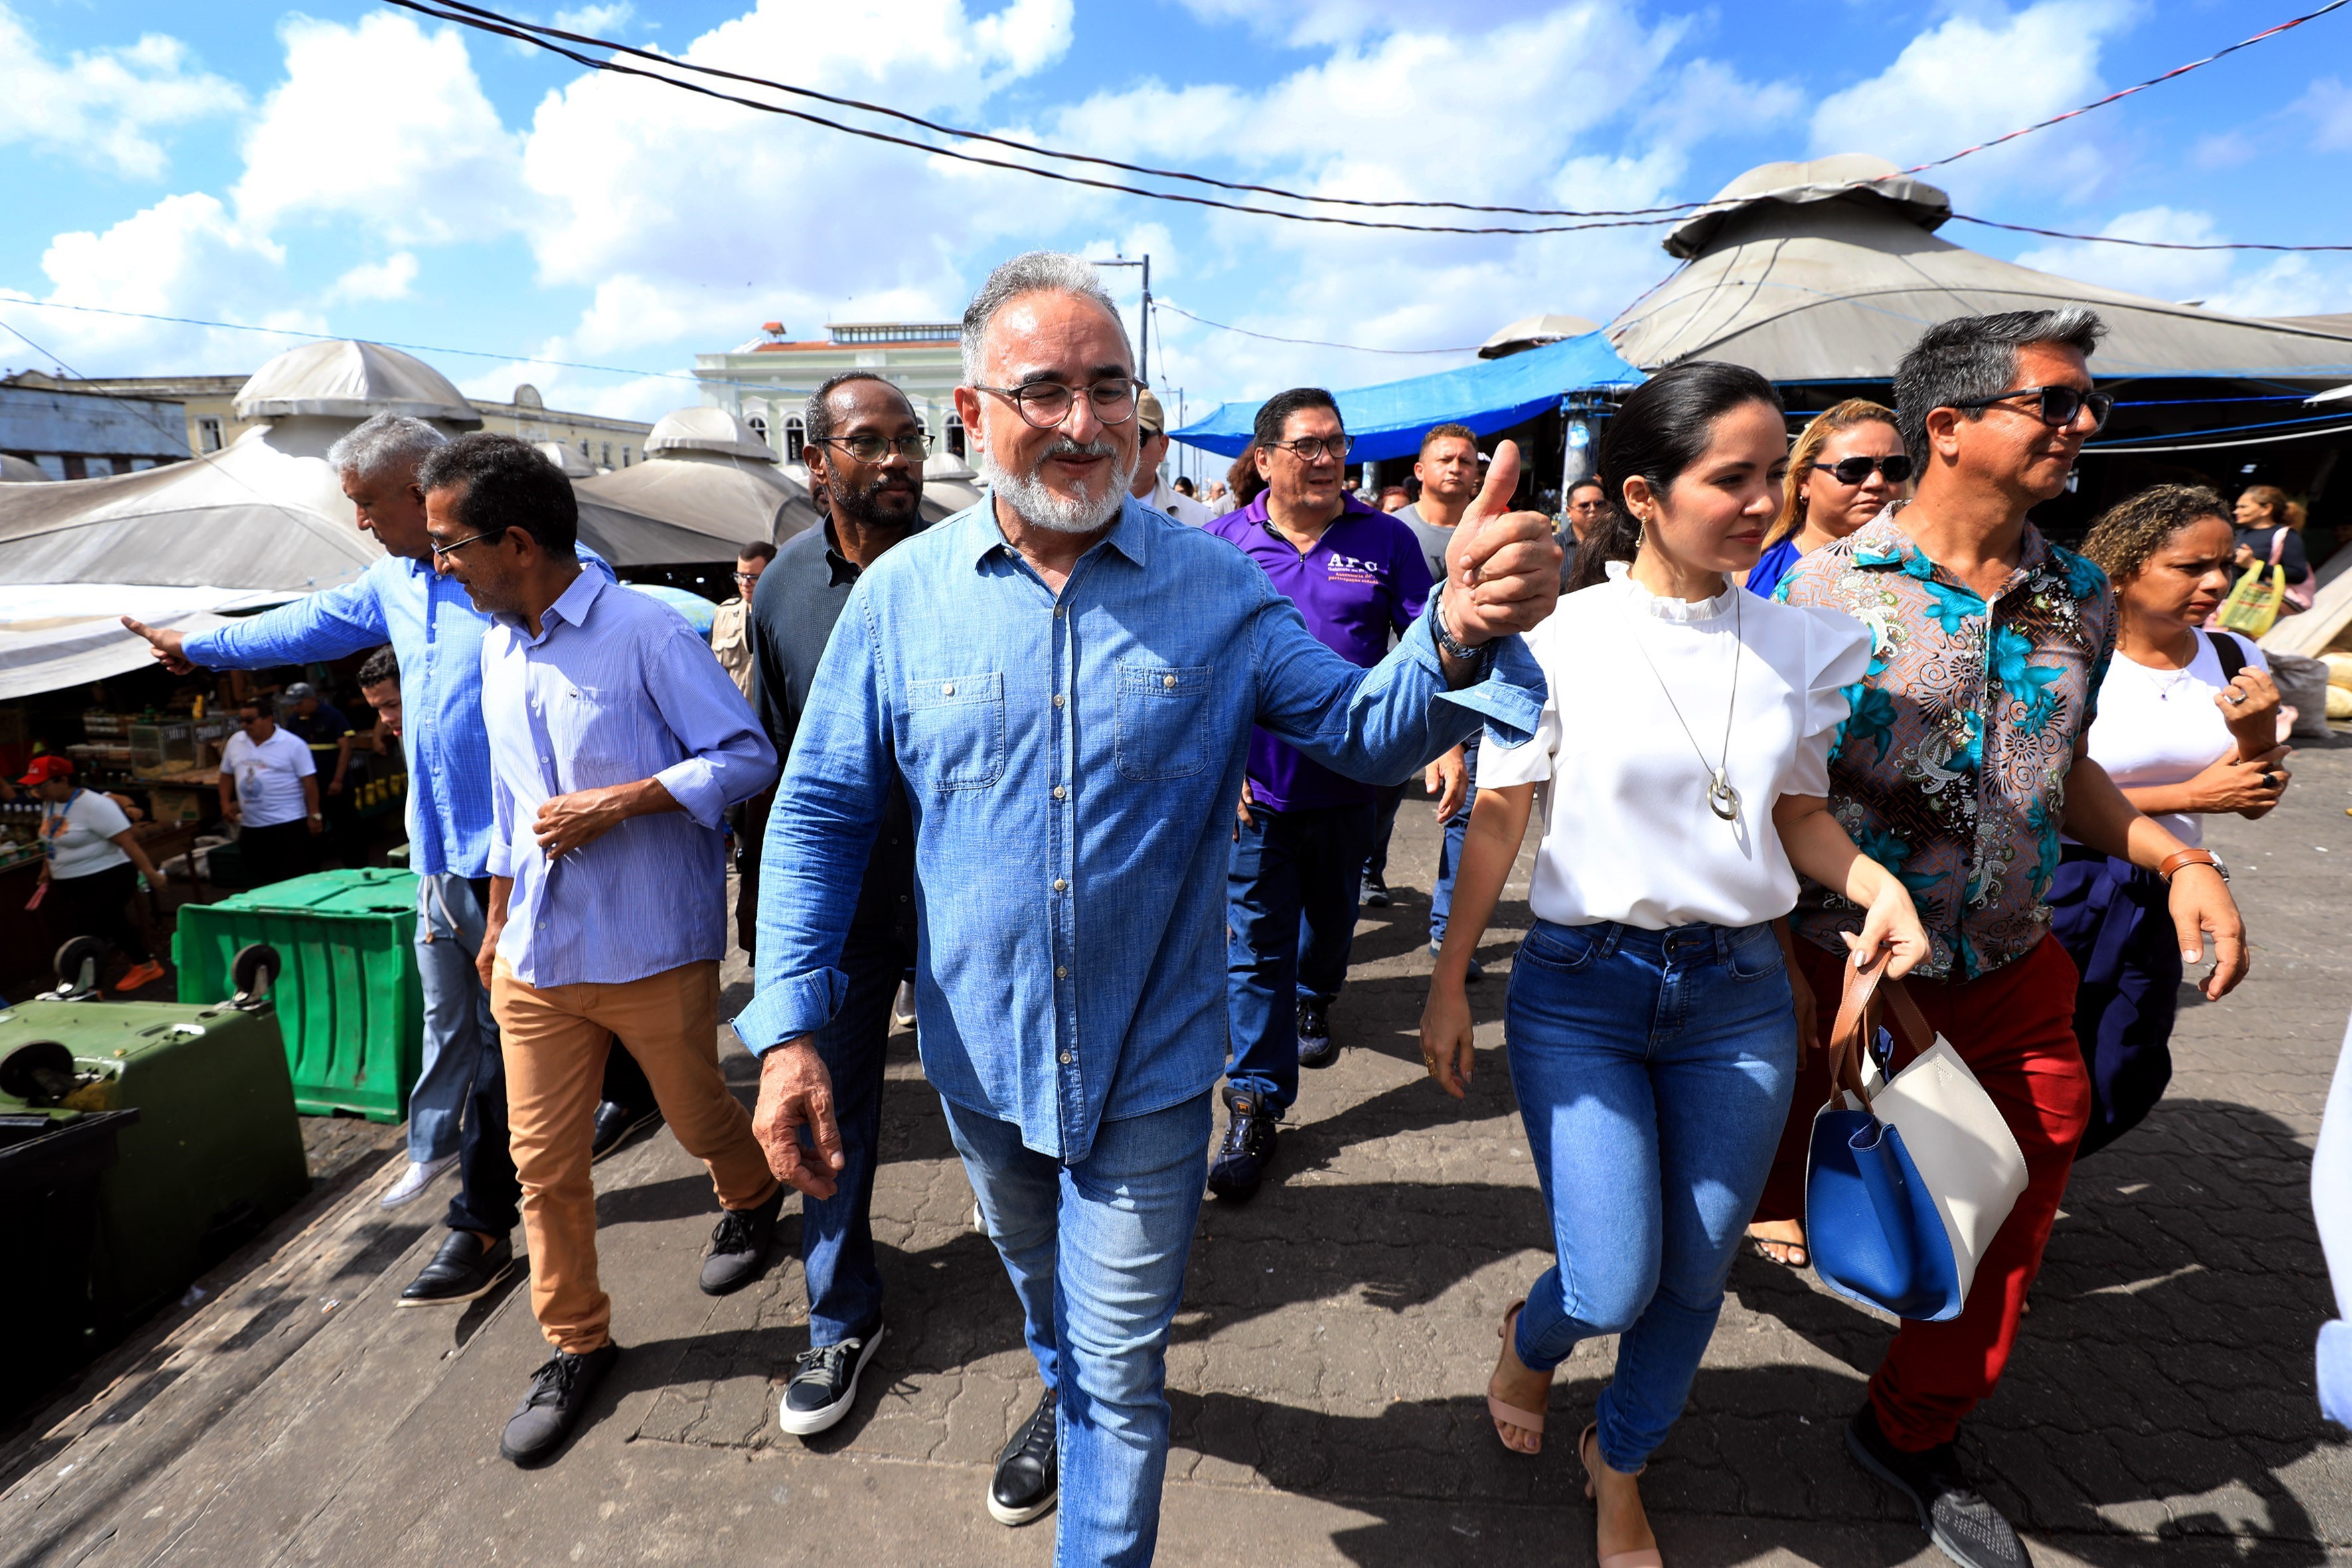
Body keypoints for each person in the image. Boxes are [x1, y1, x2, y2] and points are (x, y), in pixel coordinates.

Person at [738, 251, 1557, 1563]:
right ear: (973, 414)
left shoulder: (1216, 588)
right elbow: (820, 811)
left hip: (1156, 1064)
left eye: (1108, 387)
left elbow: (1360, 732)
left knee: (1121, 1370)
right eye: (1044, 390)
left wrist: (1451, 631)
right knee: (1047, 1306)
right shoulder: (897, 601)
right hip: (981, 1064)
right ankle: (1055, 1393)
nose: (1082, 421)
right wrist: (788, 1031)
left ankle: (1085, 1437)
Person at [1754, 308, 2247, 1568]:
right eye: (2054, 402)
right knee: (1754, 1187)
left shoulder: (2077, 593)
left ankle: (1909, 1429)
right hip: (1834, 971)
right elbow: (1770, 789)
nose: (2081, 426)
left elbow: (2060, 767)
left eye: (2089, 406)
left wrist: (2176, 858)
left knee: (2015, 1199)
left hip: (2017, 967)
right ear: (1948, 423)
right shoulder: (1816, 589)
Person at [1425, 360, 1929, 1568]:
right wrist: (1446, 982)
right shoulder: (1558, 633)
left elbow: (1796, 813)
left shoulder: (1803, 642)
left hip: (1737, 997)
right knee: (1609, 1281)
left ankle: (1621, 1459)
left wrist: (1876, 883)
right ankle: (1533, 1339)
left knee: (1695, 1271)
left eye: (1773, 476)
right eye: (1729, 478)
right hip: (1580, 992)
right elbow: (1499, 810)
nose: (1762, 502)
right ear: (1642, 495)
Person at [122, 412, 637, 1239]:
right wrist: (201, 645)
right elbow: (299, 623)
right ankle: (606, 1106)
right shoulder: (392, 583)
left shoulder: (534, 568)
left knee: (508, 1036)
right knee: (490, 1025)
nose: (359, 521)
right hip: (441, 854)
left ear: (416, 489)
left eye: (364, 502)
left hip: (532, 850)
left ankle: (481, 1219)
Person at [420, 431, 781, 1466]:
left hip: (649, 942)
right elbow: (510, 802)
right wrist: (496, 919)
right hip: (536, 951)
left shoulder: (646, 634)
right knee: (541, 1163)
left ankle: (752, 1194)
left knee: (695, 1110)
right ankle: (576, 1340)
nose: (440, 565)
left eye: (450, 544)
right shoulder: (495, 642)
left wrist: (623, 801)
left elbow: (745, 755)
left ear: (515, 541)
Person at [743, 368, 930, 1435]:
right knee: (826, 1108)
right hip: (846, 916)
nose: (898, 456)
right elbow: (780, 770)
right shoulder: (780, 593)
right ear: (817, 462)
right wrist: (766, 919)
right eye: (870, 440)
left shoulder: (970, 568)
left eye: (910, 436)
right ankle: (839, 1317)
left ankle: (1055, 1309)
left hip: (964, 904)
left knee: (1007, 1108)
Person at [1202, 389, 1436, 1200]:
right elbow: (1196, 666)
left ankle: (1316, 996)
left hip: (1353, 784)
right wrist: (1221, 766)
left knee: (1331, 920)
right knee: (1253, 948)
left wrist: (1446, 739)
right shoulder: (1222, 545)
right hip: (1256, 790)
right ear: (1265, 458)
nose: (1328, 458)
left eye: (1336, 443)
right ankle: (1254, 1103)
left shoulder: (1387, 539)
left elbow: (1425, 644)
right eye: (1307, 445)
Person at [2053, 484, 2289, 1156]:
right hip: (2059, 876)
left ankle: (2044, 1170)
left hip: (2165, 887)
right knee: (2037, 1049)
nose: (2216, 583)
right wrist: (2188, 793)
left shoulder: (2234, 655)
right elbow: (2040, 786)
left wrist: (2255, 732)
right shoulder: (2070, 652)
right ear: (2123, 571)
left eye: (2224, 566)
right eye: (2190, 567)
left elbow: (2255, 794)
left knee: (2126, 1060)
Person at [1387, 424, 1482, 969]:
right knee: (1375, 807)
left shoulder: (1492, 531)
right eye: (1445, 459)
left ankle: (1448, 936)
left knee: (1465, 818)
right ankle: (1368, 868)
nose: (1456, 468)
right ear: (1420, 470)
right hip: (1399, 696)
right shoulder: (1391, 532)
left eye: (1466, 461)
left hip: (1474, 702)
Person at [24, 755, 167, 992]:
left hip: (106, 876)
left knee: (90, 929)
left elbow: (128, 842)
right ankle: (145, 965)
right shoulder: (50, 803)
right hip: (70, 879)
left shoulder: (96, 805)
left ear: (64, 780)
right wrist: (46, 869)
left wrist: (150, 873)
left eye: (42, 785)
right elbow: (53, 840)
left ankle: (88, 986)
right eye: (33, 788)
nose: (37, 792)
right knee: (113, 923)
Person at [1745, 400, 1910, 602]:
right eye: (1853, 469)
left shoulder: (1927, 568)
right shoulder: (1749, 564)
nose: (1876, 482)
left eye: (1894, 468)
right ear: (1805, 481)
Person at [217, 700, 321, 887]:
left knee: (296, 881)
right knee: (259, 880)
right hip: (252, 826)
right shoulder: (236, 742)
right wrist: (225, 803)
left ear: (268, 719)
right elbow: (226, 775)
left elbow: (310, 782)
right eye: (241, 721)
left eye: (250, 720)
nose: (244, 725)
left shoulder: (293, 744)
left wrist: (314, 815)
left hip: (288, 824)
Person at [1130, 390, 1212, 526]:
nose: (1126, 445)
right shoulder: (1091, 516)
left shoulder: (1199, 519)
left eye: (1139, 437)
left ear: (1162, 447)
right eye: (1117, 435)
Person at [709, 540, 775, 702]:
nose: (745, 584)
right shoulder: (723, 614)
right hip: (732, 712)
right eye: (740, 576)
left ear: (772, 573)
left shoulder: (786, 615)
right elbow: (708, 672)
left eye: (753, 577)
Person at [2231, 483, 2312, 606]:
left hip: (2250, 606)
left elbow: (2298, 574)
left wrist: (2253, 564)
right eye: (2237, 507)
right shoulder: (2238, 533)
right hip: (2222, 604)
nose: (2236, 511)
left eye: (2243, 507)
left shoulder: (2286, 535)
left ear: (2267, 509)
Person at [1562, 477, 1608, 546]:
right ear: (1569, 512)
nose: (1593, 509)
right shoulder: (1555, 546)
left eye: (1599, 504)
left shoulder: (1618, 544)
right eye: (1584, 505)